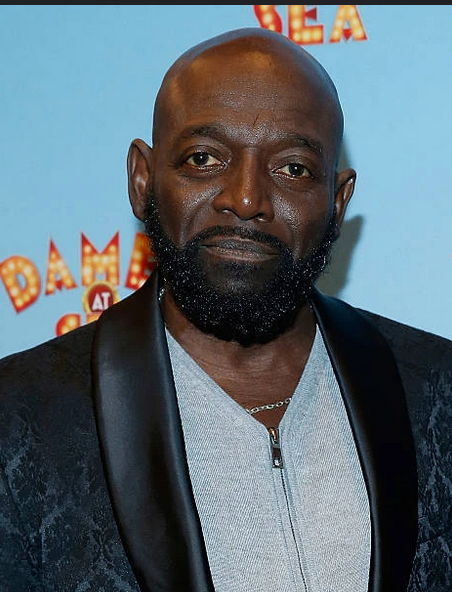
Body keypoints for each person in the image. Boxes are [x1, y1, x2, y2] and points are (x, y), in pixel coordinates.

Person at [0, 26, 451, 592]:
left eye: (292, 168)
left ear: (337, 203)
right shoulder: (19, 418)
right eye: (204, 158)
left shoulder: (437, 389)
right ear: (142, 180)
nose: (245, 198)